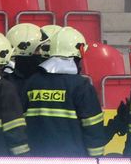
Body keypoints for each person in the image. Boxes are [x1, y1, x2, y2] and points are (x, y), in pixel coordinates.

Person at [23, 26, 106, 157]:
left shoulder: (31, 82)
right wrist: (96, 158)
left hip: (36, 158)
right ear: (78, 53)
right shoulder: (81, 86)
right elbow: (93, 128)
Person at [4, 22, 44, 99]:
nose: (40, 53)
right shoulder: (42, 81)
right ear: (25, 49)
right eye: (37, 49)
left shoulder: (4, 81)